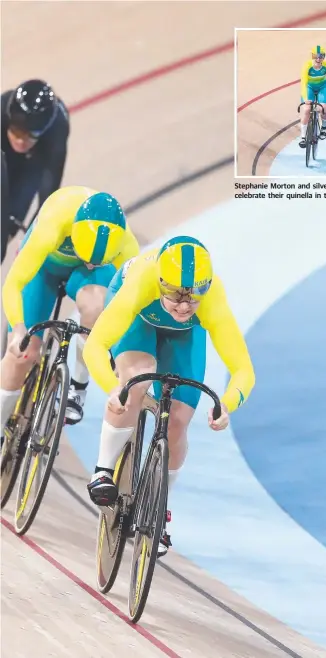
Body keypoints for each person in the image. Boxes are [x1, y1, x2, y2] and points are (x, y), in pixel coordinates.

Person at [83, 236, 255, 556]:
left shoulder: (213, 297)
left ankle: (160, 509)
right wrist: (112, 386)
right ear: (161, 283)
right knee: (135, 379)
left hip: (184, 338)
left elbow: (244, 370)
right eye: (175, 295)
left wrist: (226, 404)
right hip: (137, 321)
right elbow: (95, 345)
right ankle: (103, 470)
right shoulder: (142, 284)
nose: (184, 305)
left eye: (193, 297)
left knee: (177, 421)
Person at [0, 185, 140, 439]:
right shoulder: (54, 223)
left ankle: (78, 384)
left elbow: (134, 304)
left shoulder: (126, 244)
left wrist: (120, 350)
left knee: (98, 307)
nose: (89, 261)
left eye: (96, 260)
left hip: (87, 278)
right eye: (85, 255)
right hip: (45, 268)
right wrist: (18, 328)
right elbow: (14, 283)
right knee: (22, 354)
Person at [1, 79, 70, 264]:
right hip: (4, 152)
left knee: (6, 228)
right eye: (16, 131)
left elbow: (48, 199)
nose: (21, 141)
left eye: (30, 135)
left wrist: (32, 245)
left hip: (35, 160)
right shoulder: (1, 110)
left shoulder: (57, 131)